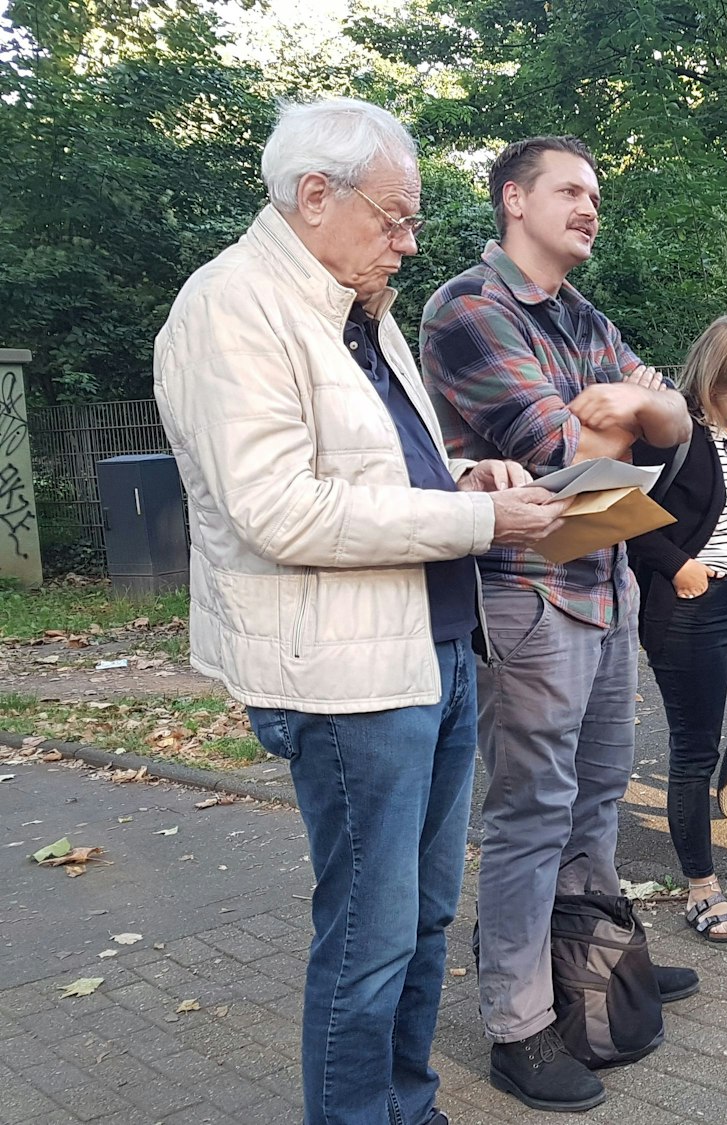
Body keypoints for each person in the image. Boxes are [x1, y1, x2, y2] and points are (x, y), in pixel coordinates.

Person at [153, 97, 571, 1125]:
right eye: (393, 218)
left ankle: (408, 1105)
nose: (407, 241)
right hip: (342, 676)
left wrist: (468, 475)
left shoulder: (355, 311)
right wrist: (480, 526)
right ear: (312, 196)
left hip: (432, 652)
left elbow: (381, 467)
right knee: (369, 934)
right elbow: (278, 509)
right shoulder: (231, 308)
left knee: (424, 918)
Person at [420, 135, 695, 1113]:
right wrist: (638, 410)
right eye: (569, 190)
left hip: (604, 577)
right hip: (525, 592)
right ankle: (519, 1025)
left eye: (595, 193)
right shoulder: (466, 309)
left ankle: (592, 952)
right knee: (531, 814)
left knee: (598, 794)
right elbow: (565, 448)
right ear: (511, 200)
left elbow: (680, 428)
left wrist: (634, 404)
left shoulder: (581, 313)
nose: (589, 207)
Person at [600, 315, 727, 942]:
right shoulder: (670, 434)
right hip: (692, 611)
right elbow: (619, 508)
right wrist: (678, 566)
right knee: (695, 750)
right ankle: (700, 889)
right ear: (715, 382)